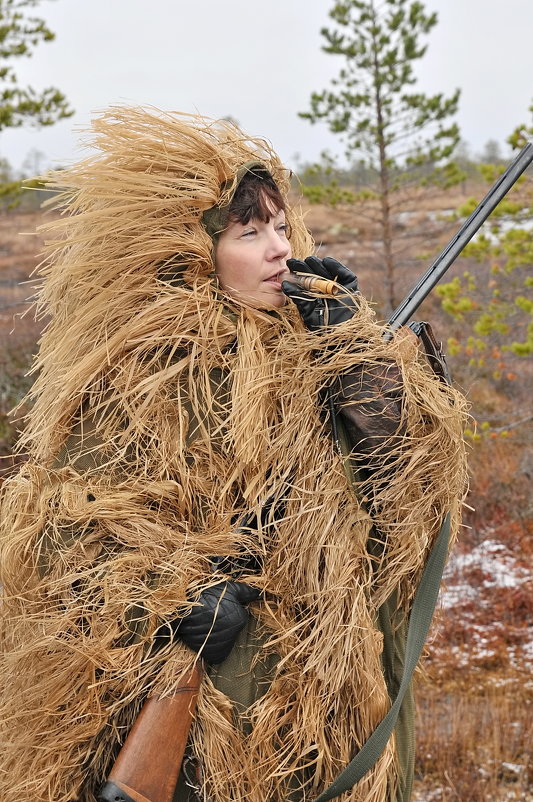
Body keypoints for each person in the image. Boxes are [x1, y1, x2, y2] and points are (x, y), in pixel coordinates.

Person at [0, 107, 467, 802]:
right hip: (208, 728)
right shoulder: (137, 379)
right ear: (189, 255)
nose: (279, 248)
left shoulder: (314, 349)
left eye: (280, 227)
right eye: (249, 232)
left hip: (322, 701)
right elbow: (64, 548)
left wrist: (357, 355)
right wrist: (171, 606)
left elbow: (402, 499)